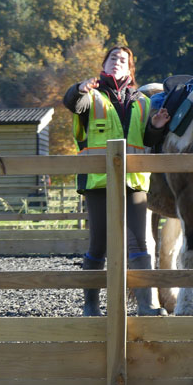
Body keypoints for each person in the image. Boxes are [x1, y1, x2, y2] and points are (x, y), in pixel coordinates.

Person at [63, 45, 170, 316]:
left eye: (123, 60)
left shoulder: (143, 102)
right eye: (113, 58)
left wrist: (156, 127)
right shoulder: (91, 96)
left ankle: (147, 305)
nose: (117, 62)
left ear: (130, 68)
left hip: (133, 181)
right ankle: (91, 306)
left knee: (140, 243)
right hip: (98, 182)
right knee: (99, 243)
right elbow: (72, 103)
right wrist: (79, 88)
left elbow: (146, 140)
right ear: (104, 63)